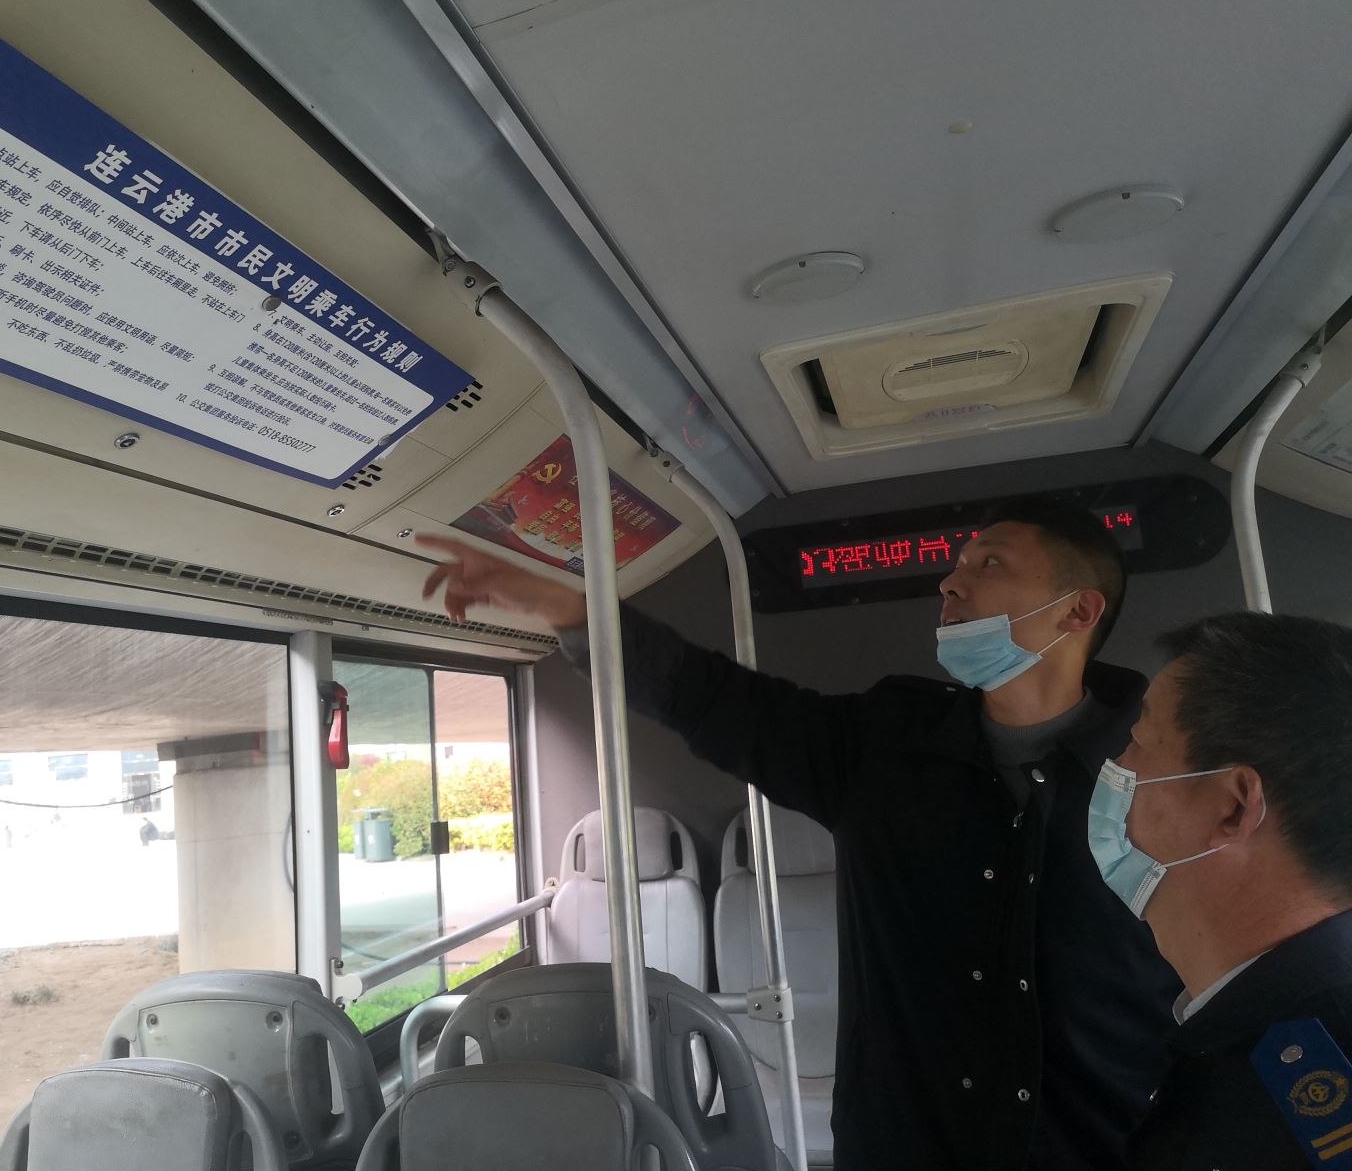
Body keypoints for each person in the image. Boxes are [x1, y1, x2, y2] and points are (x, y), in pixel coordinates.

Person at [419, 498, 1181, 1171]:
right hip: (905, 1148)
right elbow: (712, 698)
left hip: (1102, 1148)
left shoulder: (1173, 778)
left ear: (1077, 612)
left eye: (989, 563)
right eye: (957, 564)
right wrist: (575, 614)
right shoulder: (886, 746)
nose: (951, 583)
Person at [1094, 612, 1352, 1169]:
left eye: (1138, 742)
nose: (1115, 768)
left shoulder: (1315, 1089)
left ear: (1233, 807)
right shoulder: (1248, 1030)